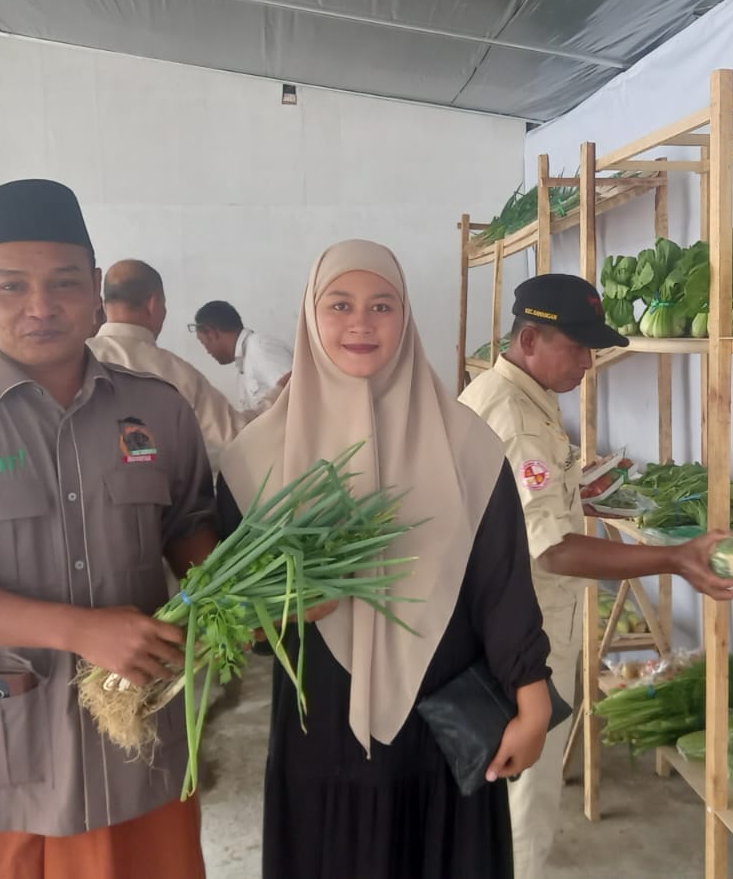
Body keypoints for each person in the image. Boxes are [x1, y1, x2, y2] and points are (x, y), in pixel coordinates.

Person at [0, 179, 218, 879]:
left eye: (62, 283)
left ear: (93, 288)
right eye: (11, 287)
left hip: (137, 746)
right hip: (1, 758)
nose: (41, 307)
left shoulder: (158, 410)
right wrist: (78, 630)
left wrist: (249, 598)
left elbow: (189, 531)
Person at [214, 239, 553, 879]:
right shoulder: (252, 461)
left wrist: (532, 699)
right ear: (310, 318)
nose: (361, 323)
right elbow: (247, 625)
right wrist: (281, 609)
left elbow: (502, 585)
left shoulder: (468, 447)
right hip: (322, 734)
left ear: (407, 318)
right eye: (339, 304)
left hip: (446, 727)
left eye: (382, 305)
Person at [458, 271, 733, 879]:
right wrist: (675, 557)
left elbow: (512, 509)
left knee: (494, 797)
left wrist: (576, 492)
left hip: (495, 631)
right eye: (577, 347)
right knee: (520, 809)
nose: (588, 361)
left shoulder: (505, 396)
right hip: (522, 638)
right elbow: (552, 551)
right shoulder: (518, 418)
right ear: (530, 340)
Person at [86, 258, 250, 468]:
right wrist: (279, 397)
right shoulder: (177, 374)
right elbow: (236, 434)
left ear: (103, 304)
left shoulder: (70, 361)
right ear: (153, 303)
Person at [190, 300, 294, 413]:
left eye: (204, 344)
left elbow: (297, 392)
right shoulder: (245, 362)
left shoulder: (260, 349)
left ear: (212, 333)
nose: (208, 351)